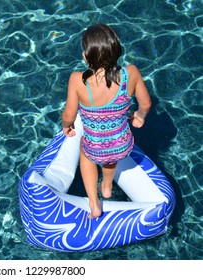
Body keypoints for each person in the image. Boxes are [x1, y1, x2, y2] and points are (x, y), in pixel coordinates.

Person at [61, 24, 152, 219]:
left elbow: (69, 114)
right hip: (121, 144)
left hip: (95, 146)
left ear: (85, 57)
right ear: (118, 51)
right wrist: (140, 116)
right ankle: (107, 186)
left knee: (85, 155)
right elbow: (145, 104)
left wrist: (66, 126)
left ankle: (94, 203)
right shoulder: (132, 73)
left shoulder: (78, 80)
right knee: (110, 159)